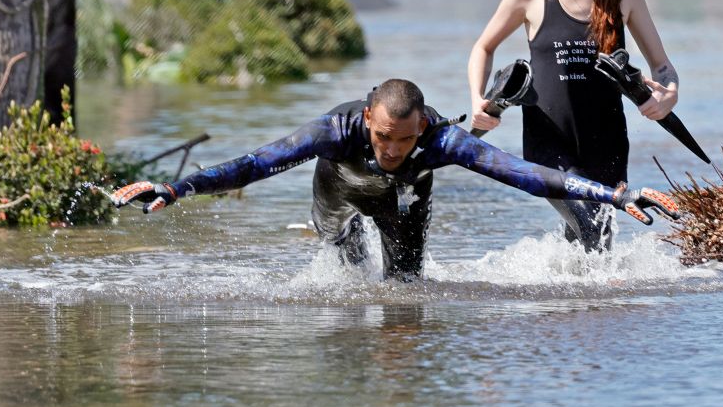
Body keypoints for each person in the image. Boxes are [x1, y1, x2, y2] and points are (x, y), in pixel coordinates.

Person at [113, 78, 678, 281]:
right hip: (338, 193)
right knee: (345, 264)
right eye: (384, 137)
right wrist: (176, 187)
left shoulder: (441, 141)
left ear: (421, 127)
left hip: (404, 204)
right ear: (367, 120)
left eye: (404, 140)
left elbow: (527, 176)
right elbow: (254, 165)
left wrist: (615, 194)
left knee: (404, 294)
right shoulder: (332, 131)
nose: (392, 148)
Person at [468, 0, 679, 251]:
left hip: (607, 140)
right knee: (589, 225)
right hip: (550, 142)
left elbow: (662, 66)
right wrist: (477, 99)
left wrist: (669, 96)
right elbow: (483, 48)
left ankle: (573, 304)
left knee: (599, 242)